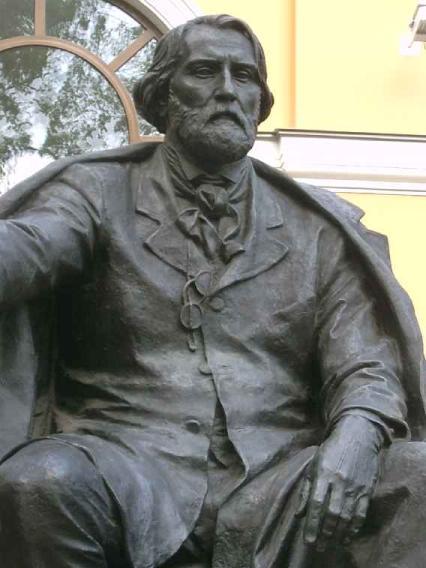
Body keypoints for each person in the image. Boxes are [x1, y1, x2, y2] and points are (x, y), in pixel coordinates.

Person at [0, 14, 425, 568]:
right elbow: (31, 247)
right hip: (126, 469)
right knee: (39, 483)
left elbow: (367, 366)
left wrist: (356, 439)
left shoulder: (316, 227)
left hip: (279, 483)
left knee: (417, 476)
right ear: (161, 96)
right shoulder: (97, 192)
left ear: (259, 102)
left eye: (243, 76)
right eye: (204, 71)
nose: (227, 89)